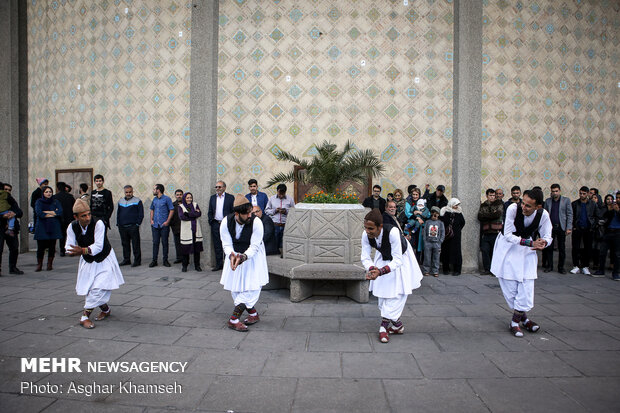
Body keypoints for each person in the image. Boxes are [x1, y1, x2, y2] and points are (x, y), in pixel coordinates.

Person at [491, 188, 552, 337]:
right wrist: (529, 243)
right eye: (523, 203)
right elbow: (507, 234)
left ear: (538, 206)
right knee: (510, 288)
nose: (523, 207)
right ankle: (524, 319)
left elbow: (548, 235)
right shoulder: (513, 208)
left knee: (526, 285)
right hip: (509, 249)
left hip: (527, 252)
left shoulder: (543, 214)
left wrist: (544, 242)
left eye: (528, 206)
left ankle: (514, 322)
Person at [361, 209, 423, 343]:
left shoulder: (393, 232)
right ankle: (398, 326)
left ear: (380, 227)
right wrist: (372, 268)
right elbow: (365, 256)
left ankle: (383, 327)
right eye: (365, 227)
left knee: (398, 293)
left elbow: (397, 260)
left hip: (402, 259)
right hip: (383, 257)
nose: (367, 231)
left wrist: (381, 272)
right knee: (383, 295)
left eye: (371, 228)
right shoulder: (365, 235)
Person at [65, 198, 124, 329]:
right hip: (88, 261)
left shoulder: (99, 224)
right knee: (91, 288)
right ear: (76, 217)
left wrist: (82, 250)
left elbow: (98, 246)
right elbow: (69, 245)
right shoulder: (72, 226)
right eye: (83, 216)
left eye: (89, 214)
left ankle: (84, 317)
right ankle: (106, 310)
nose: (87, 218)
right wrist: (71, 251)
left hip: (105, 259)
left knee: (99, 288)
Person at [220, 195, 269, 332]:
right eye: (246, 213)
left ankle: (233, 320)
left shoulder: (257, 223)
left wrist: (243, 257)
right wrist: (232, 256)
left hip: (253, 257)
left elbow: (254, 246)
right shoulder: (225, 222)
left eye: (250, 212)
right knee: (236, 289)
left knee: (252, 289)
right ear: (237, 214)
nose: (249, 215)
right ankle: (253, 314)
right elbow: (226, 243)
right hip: (234, 256)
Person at [542, 184, 572, 274]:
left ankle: (561, 267)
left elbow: (569, 214)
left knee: (562, 248)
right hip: (550, 227)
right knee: (549, 247)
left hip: (561, 226)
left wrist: (569, 227)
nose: (555, 193)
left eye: (556, 191)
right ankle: (549, 266)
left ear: (559, 191)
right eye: (553, 191)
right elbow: (545, 215)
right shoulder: (548, 201)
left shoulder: (566, 201)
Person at [208, 181, 234, 271]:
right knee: (217, 245)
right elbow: (210, 211)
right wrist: (211, 221)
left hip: (226, 224)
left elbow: (233, 212)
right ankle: (219, 264)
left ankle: (228, 264)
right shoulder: (212, 198)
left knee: (227, 243)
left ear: (224, 188)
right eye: (216, 187)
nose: (217, 189)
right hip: (216, 224)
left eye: (219, 187)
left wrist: (230, 222)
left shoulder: (230, 198)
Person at [570, 186, 597, 275]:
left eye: (584, 194)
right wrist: (573, 226)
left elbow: (596, 216)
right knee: (575, 247)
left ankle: (585, 266)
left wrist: (593, 226)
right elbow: (571, 216)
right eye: (580, 193)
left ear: (588, 193)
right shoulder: (575, 204)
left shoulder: (592, 204)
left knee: (588, 248)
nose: (582, 195)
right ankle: (576, 266)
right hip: (577, 227)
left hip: (588, 228)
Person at [593, 193, 620, 280]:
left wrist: (618, 211)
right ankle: (601, 270)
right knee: (602, 252)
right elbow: (605, 218)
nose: (618, 199)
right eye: (617, 198)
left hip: (618, 232)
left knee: (617, 254)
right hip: (608, 232)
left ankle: (615, 273)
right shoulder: (612, 207)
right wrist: (610, 210)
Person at [116, 185, 144, 267]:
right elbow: (118, 213)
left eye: (130, 192)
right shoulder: (120, 201)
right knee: (125, 244)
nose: (128, 194)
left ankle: (137, 261)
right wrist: (119, 224)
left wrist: (137, 224)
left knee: (135, 244)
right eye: (126, 192)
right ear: (124, 192)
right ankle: (126, 259)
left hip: (133, 226)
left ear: (132, 191)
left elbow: (141, 214)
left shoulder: (137, 201)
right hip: (122, 227)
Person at [478, 188, 503, 275]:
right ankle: (487, 269)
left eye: (493, 195)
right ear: (487, 196)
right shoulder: (483, 205)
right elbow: (480, 216)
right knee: (485, 250)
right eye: (490, 195)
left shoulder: (498, 204)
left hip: (495, 232)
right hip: (486, 232)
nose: (492, 197)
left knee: (494, 252)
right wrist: (491, 214)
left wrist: (487, 215)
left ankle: (494, 269)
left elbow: (498, 214)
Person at [0, 183, 23, 275]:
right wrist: (3, 216)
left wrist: (14, 214)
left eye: (9, 190)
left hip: (12, 229)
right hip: (0, 228)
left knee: (14, 248)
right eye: (6, 189)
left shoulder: (10, 200)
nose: (7, 192)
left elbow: (20, 212)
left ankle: (13, 267)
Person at [149, 184, 174, 267]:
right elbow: (152, 209)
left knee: (165, 243)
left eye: (154, 189)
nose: (153, 191)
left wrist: (167, 221)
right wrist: (151, 220)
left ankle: (165, 260)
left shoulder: (167, 199)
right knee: (155, 243)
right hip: (155, 225)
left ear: (158, 190)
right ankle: (154, 260)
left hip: (164, 225)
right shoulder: (154, 200)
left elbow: (171, 210)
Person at [265, 183, 295, 251]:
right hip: (275, 225)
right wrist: (275, 210)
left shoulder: (290, 199)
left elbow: (294, 211)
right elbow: (266, 211)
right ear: (277, 191)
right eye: (279, 193)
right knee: (275, 243)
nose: (281, 195)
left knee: (284, 243)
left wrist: (286, 212)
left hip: (286, 225)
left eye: (283, 193)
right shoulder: (272, 199)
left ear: (285, 192)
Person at [179, 192, 203, 272]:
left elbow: (199, 213)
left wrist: (188, 214)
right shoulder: (181, 206)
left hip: (195, 230)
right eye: (187, 198)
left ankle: (197, 266)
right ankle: (184, 266)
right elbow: (182, 217)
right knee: (185, 249)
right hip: (186, 231)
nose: (189, 199)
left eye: (190, 197)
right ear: (184, 198)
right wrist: (193, 214)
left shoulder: (195, 204)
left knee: (197, 249)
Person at [440, 198, 465, 276]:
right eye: (455, 205)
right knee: (446, 250)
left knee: (456, 251)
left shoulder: (459, 212)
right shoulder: (445, 211)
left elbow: (462, 223)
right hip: (447, 236)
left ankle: (457, 270)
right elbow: (442, 222)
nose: (456, 206)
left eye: (457, 205)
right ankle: (445, 268)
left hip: (456, 236)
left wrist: (456, 230)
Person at [53, 181, 76, 256]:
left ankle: (62, 250)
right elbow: (74, 207)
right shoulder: (70, 196)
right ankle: (71, 250)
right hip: (70, 218)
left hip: (59, 219)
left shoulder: (55, 197)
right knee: (71, 234)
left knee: (61, 235)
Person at [422, 207, 445, 277]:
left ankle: (435, 270)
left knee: (436, 258)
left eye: (436, 213)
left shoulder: (440, 223)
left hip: (437, 243)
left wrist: (440, 241)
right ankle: (426, 270)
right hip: (428, 242)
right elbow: (424, 232)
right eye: (433, 213)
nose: (434, 215)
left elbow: (442, 232)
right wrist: (425, 241)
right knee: (427, 257)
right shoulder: (428, 222)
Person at [170, 189, 184, 264]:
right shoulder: (172, 205)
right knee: (177, 244)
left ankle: (185, 258)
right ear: (175, 196)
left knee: (185, 244)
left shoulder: (185, 204)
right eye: (177, 195)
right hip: (176, 228)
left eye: (180, 194)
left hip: (185, 228)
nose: (179, 196)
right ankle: (179, 258)